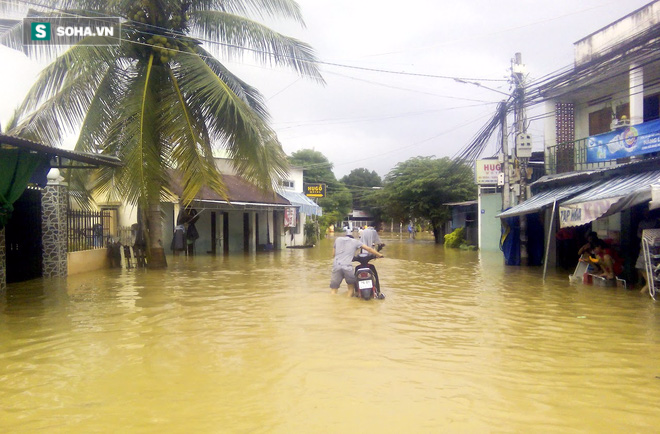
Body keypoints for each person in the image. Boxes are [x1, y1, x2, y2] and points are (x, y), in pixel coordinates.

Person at [330, 227, 383, 296]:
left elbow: (333, 254)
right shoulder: (355, 242)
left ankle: (333, 302)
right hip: (347, 267)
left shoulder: (338, 240)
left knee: (334, 289)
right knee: (351, 288)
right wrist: (379, 255)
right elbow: (369, 249)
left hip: (336, 266)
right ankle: (349, 301)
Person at [635, 208, 658, 293]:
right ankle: (647, 284)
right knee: (640, 266)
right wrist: (644, 236)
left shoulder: (656, 222)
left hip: (653, 248)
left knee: (650, 268)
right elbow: (638, 234)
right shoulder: (642, 223)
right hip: (645, 247)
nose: (646, 214)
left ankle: (648, 285)